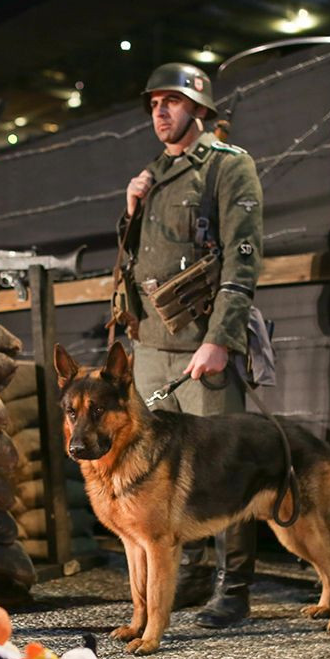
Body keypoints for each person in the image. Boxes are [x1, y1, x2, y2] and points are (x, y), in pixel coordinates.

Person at [117, 63, 263, 628]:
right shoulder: (152, 175)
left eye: (172, 101)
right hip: (152, 346)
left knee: (225, 470)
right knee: (161, 471)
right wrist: (130, 213)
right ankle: (193, 573)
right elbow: (136, 264)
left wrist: (221, 339)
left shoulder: (228, 167)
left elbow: (241, 260)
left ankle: (235, 588)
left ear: (199, 109)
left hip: (202, 344)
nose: (160, 111)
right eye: (154, 102)